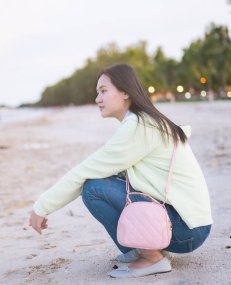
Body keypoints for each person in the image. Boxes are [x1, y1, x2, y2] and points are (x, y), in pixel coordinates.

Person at [29, 64, 213, 278]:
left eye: (103, 91)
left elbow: (84, 171)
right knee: (102, 180)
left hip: (187, 229)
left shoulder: (139, 126)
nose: (98, 99)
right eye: (97, 92)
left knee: (93, 188)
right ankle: (145, 250)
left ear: (125, 91)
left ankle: (151, 257)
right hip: (187, 223)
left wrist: (42, 207)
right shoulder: (142, 121)